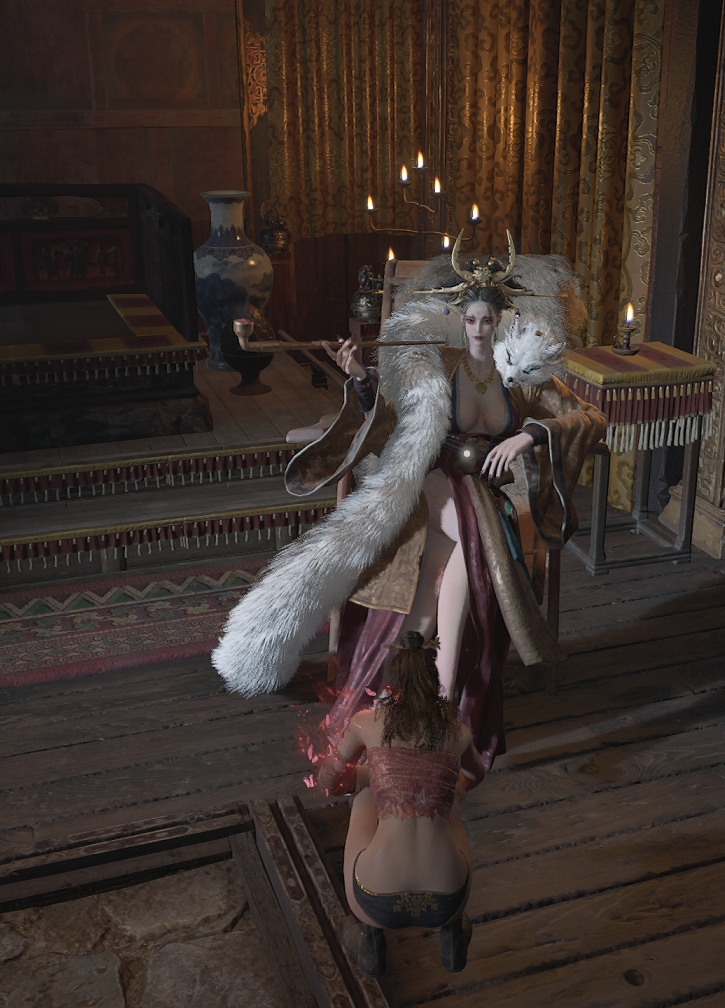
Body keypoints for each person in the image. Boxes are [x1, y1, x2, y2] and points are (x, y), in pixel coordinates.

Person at [212, 238, 605, 774]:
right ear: (460, 320)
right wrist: (359, 377)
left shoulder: (522, 372)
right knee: (472, 526)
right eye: (471, 319)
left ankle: (417, 686)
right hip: (434, 486)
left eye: (488, 320)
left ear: (502, 321)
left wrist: (528, 435)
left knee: (453, 556)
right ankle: (442, 696)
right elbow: (390, 412)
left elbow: (588, 417)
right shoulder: (441, 368)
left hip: (480, 501)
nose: (479, 329)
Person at [319, 630, 487, 976]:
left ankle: (371, 941)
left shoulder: (365, 723)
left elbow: (330, 781)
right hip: (449, 899)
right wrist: (454, 785)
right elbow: (476, 774)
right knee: (443, 802)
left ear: (390, 684)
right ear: (433, 684)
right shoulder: (456, 733)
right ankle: (452, 935)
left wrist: (365, 777)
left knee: (366, 795)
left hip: (372, 898)